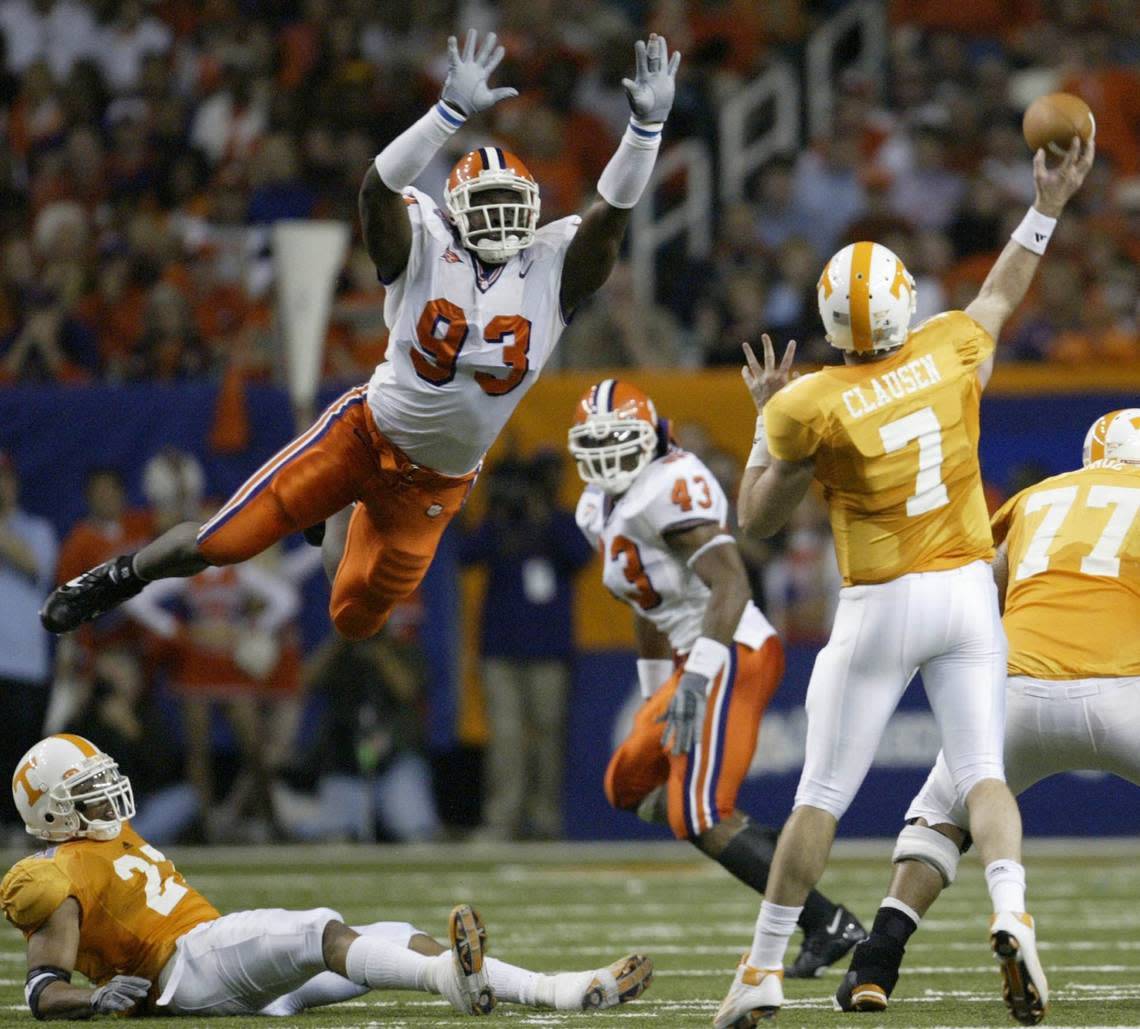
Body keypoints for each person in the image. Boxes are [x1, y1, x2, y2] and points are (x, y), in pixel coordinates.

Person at [39, 29, 683, 644]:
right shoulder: (423, 241)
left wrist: (644, 131)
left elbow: (611, 214)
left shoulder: (552, 267)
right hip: (364, 434)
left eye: (509, 204)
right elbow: (379, 186)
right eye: (484, 203)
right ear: (454, 210)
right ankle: (116, 578)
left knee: (355, 618)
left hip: (437, 483)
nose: (499, 219)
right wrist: (448, 112)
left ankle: (337, 518)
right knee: (224, 542)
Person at [714, 135, 1094, 1029]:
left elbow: (755, 519)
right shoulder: (952, 347)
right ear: (901, 304)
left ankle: (764, 966)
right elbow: (1001, 291)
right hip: (967, 594)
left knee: (820, 797)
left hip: (882, 602)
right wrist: (1046, 205)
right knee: (982, 776)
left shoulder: (812, 401)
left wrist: (768, 419)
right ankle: (1010, 908)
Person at [1, 733, 653, 1020]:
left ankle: (561, 989)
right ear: (52, 808)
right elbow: (39, 989)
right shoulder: (54, 876)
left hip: (220, 971)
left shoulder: (104, 835)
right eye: (87, 788)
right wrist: (91, 998)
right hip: (186, 966)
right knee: (318, 928)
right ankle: (451, 984)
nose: (108, 791)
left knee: (396, 931)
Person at [836, 409, 1140, 1019]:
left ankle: (875, 967)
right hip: (1124, 691)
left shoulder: (1037, 498)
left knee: (938, 819)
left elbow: (986, 585)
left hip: (1017, 687)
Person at [567, 380, 865, 978]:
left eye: (618, 441)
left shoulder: (669, 485)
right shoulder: (593, 507)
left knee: (698, 814)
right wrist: (658, 691)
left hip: (731, 650)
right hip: (687, 660)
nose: (606, 457)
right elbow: (644, 605)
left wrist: (696, 681)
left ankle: (822, 921)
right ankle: (773, 854)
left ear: (650, 437)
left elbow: (732, 584)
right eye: (594, 444)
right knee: (627, 784)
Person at [459, 451, 594, 841]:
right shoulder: (500, 522)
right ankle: (503, 818)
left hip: (549, 648)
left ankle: (545, 818)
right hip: (500, 648)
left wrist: (543, 516)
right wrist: (497, 516)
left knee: (548, 736)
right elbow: (465, 555)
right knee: (505, 736)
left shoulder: (559, 521)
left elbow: (580, 555)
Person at [0, 452, 58, 834]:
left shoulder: (36, 530)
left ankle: (18, 831)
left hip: (21, 664)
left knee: (19, 760)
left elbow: (35, 564)